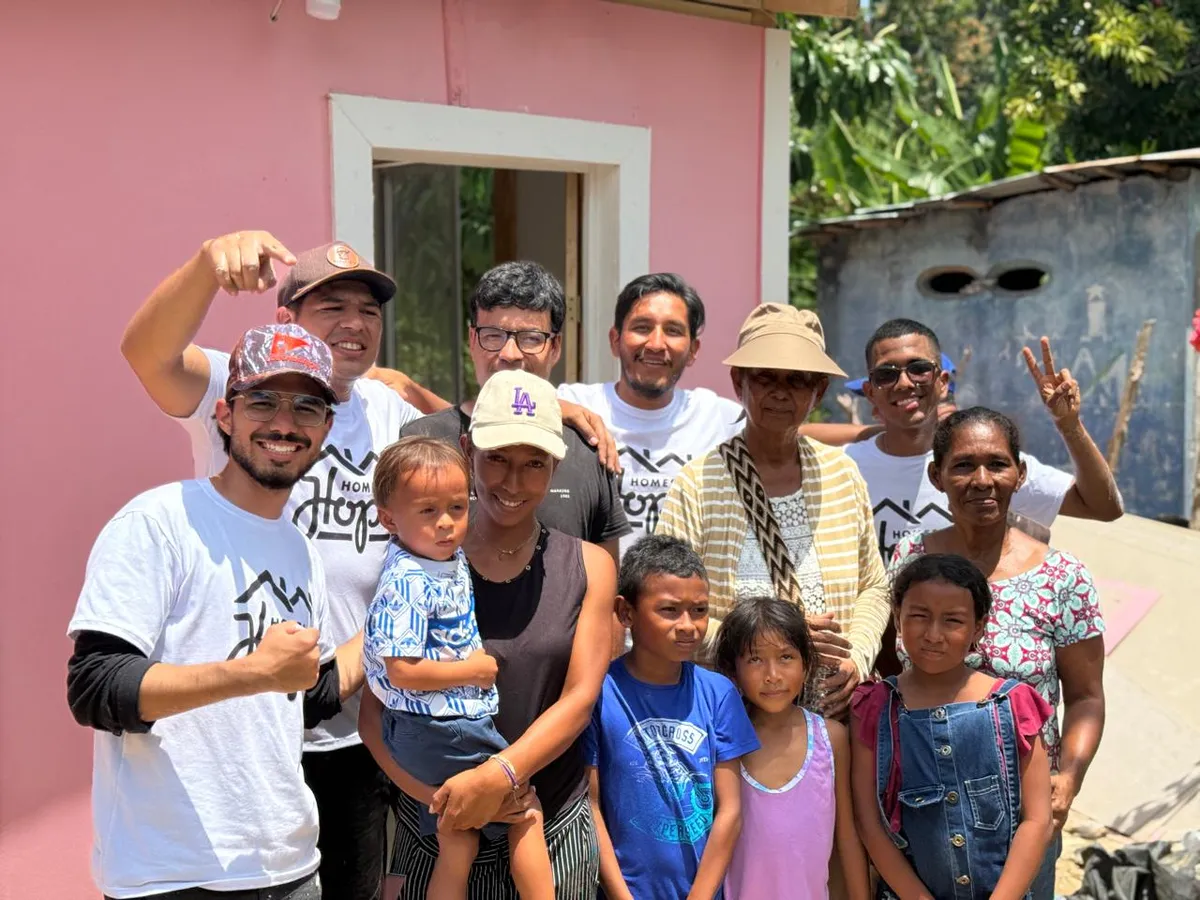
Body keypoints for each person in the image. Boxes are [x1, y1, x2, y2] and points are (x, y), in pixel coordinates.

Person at [121, 232, 426, 897]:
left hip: (353, 722)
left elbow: (465, 427)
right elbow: (147, 354)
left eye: (368, 311)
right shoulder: (249, 385)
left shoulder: (393, 411)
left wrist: (567, 405)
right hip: (248, 725)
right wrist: (206, 266)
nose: (354, 323)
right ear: (286, 318)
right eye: (332, 307)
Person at [66, 325, 362, 899]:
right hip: (175, 874)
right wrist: (253, 673)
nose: (284, 423)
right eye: (263, 401)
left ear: (326, 429)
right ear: (224, 414)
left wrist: (389, 624)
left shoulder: (301, 549)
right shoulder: (158, 522)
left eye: (307, 406)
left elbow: (305, 699)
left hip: (291, 866)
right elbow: (96, 689)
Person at [360, 370, 617, 899]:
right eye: (497, 457)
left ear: (556, 465)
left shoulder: (590, 565)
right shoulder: (414, 563)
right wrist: (449, 799)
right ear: (465, 449)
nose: (513, 482)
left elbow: (579, 699)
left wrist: (495, 779)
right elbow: (375, 711)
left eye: (534, 464)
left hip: (548, 831)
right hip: (437, 825)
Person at [889, 408, 1107, 895]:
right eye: (964, 465)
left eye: (998, 464)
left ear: (1020, 474)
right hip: (920, 802)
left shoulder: (1062, 577)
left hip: (1023, 813)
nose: (982, 480)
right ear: (937, 475)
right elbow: (890, 673)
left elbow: (1087, 696)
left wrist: (1067, 777)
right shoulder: (911, 560)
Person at [656, 303, 889, 719]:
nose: (781, 392)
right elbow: (667, 606)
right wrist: (776, 644)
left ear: (818, 392)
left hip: (832, 718)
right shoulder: (697, 483)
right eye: (765, 377)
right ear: (738, 382)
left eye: (798, 381)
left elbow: (873, 585)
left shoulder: (842, 474)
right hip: (730, 719)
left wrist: (858, 657)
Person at [364, 436, 553, 899]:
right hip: (438, 729)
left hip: (435, 727)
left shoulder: (444, 561)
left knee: (458, 834)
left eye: (456, 507)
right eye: (428, 511)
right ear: (389, 519)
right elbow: (403, 670)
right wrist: (473, 671)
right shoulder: (407, 579)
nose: (446, 523)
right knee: (525, 810)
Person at [851, 554, 1055, 900]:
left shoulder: (1014, 705)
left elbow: (1038, 820)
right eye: (919, 616)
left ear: (978, 627)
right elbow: (871, 824)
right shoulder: (874, 708)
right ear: (897, 617)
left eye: (953, 621)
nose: (934, 634)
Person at [845, 319, 1122, 564]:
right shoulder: (844, 468)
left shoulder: (987, 468)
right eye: (886, 374)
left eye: (919, 369)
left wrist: (1070, 426)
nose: (904, 383)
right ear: (869, 391)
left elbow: (1103, 507)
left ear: (942, 382)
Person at [401, 261, 629, 558]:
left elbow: (606, 578)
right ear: (472, 340)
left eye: (531, 338)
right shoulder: (421, 441)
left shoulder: (588, 450)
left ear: (556, 347)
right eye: (493, 335)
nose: (510, 354)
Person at [585, 535, 759, 900]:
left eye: (699, 610)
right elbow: (591, 805)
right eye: (669, 610)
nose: (688, 625)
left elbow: (730, 812)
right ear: (626, 612)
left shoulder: (719, 694)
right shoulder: (598, 693)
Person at [557, 274, 744, 554]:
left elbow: (790, 434)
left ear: (693, 350)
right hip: (596, 591)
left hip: (685, 595)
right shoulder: (576, 402)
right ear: (615, 340)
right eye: (642, 328)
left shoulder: (718, 417)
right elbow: (506, 405)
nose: (656, 344)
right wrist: (557, 408)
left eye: (673, 331)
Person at [715, 596, 869, 900]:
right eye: (755, 659)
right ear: (734, 671)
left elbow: (847, 835)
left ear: (807, 664)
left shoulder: (831, 738)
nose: (772, 675)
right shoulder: (723, 740)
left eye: (786, 657)